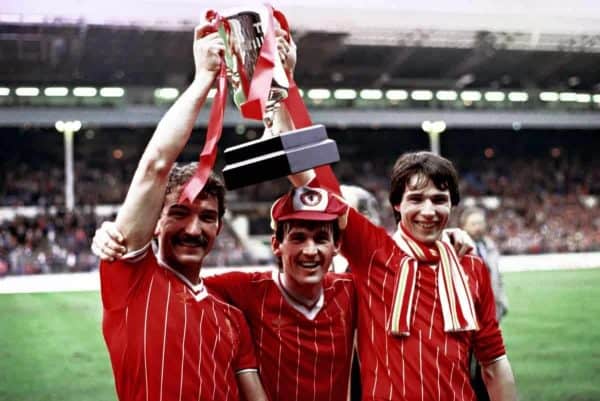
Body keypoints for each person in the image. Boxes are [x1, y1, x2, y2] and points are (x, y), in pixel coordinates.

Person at [96, 23, 268, 401]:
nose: (193, 228)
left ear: (220, 228)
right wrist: (204, 79)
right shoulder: (130, 279)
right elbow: (157, 165)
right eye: (179, 212)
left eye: (207, 217)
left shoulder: (232, 319)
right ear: (156, 220)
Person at [293, 151, 517, 401]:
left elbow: (494, 362)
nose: (428, 211)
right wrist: (281, 121)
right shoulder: (373, 253)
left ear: (451, 204)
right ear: (397, 204)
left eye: (439, 200)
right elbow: (316, 188)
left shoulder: (472, 267)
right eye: (416, 199)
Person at [460, 206, 509, 401]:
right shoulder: (459, 247)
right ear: (464, 226)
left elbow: (498, 277)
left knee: (489, 361)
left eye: (480, 223)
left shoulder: (489, 246)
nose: (479, 227)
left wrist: (502, 303)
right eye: (474, 224)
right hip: (469, 315)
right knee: (468, 363)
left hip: (490, 314)